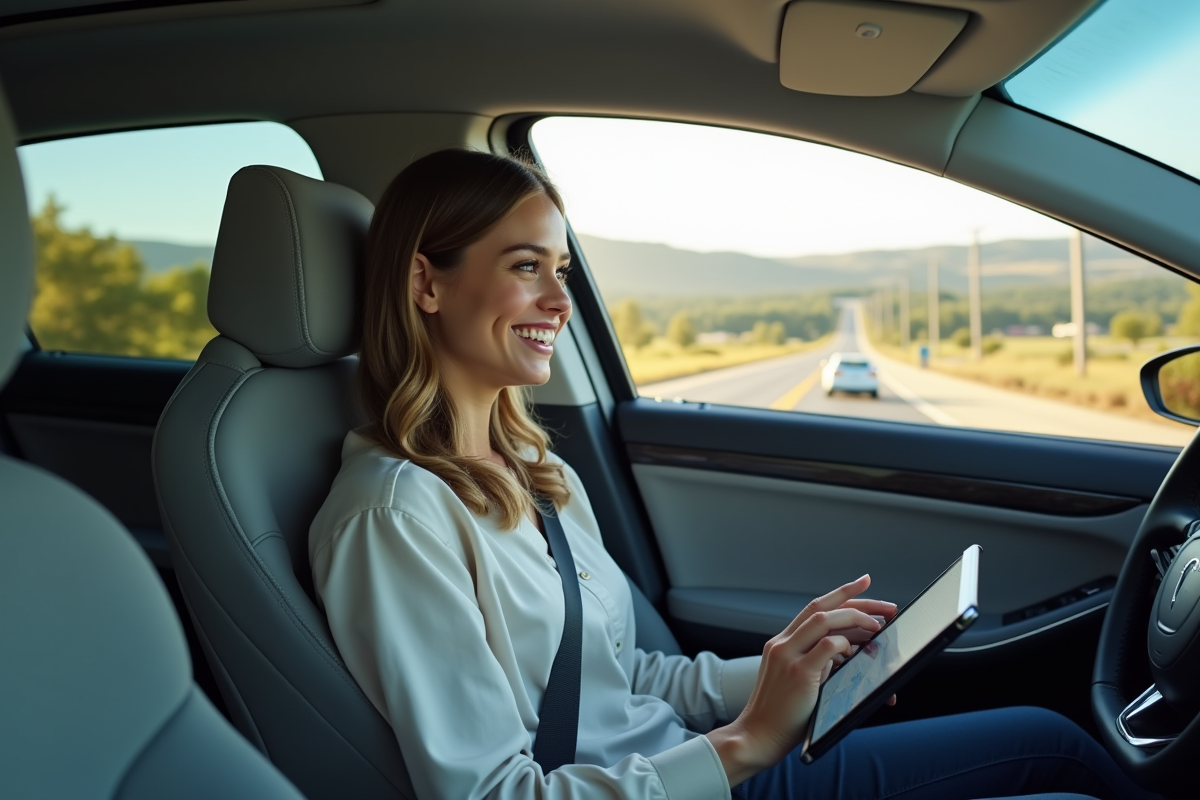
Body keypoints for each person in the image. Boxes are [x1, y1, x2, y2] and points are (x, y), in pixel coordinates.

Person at [308, 149, 1156, 800]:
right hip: (688, 782)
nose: (562, 303)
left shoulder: (533, 470)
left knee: (1047, 749)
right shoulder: (395, 516)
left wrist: (796, 666)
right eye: (526, 267)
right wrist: (748, 743)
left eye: (560, 271)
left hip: (684, 761)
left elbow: (630, 677)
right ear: (426, 282)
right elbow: (497, 793)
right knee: (1052, 746)